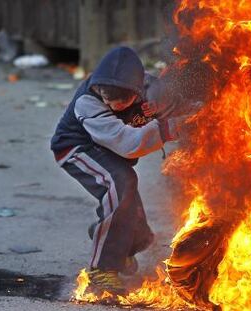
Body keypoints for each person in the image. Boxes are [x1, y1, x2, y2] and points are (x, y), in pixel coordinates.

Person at [50, 46, 179, 294]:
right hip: (77, 149)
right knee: (119, 182)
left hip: (110, 150)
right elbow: (127, 144)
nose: (113, 104)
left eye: (121, 99)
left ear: (138, 89)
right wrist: (170, 128)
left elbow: (175, 105)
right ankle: (102, 269)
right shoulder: (88, 102)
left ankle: (114, 241)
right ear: (98, 86)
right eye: (107, 96)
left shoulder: (151, 91)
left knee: (139, 230)